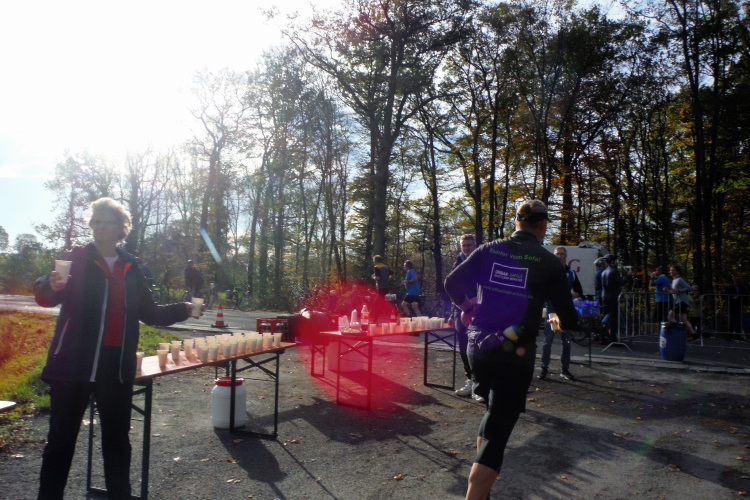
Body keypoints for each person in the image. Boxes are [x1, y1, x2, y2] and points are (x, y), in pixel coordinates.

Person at [33, 197, 204, 500]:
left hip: (116, 366)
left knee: (117, 442)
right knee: (60, 441)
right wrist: (51, 285)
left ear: (120, 228)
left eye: (107, 222)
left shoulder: (132, 267)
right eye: (96, 221)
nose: (99, 226)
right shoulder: (76, 258)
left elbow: (149, 312)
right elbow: (46, 295)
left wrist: (182, 309)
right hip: (73, 364)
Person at [444, 200, 578, 500]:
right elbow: (569, 319)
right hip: (513, 355)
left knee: (494, 414)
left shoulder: (489, 249)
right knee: (498, 431)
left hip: (479, 349)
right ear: (542, 225)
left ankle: (484, 493)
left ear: (516, 222)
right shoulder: (549, 262)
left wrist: (467, 307)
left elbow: (452, 282)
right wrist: (556, 322)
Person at [539, 246, 583, 381]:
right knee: (548, 341)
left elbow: (579, 290)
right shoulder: (548, 271)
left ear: (566, 256)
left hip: (566, 310)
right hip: (552, 310)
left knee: (567, 342)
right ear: (554, 256)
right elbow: (541, 289)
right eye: (557, 254)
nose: (559, 256)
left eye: (562, 254)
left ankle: (565, 370)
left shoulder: (571, 273)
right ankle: (544, 369)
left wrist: (572, 296)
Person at [450, 234, 481, 401]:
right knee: (463, 346)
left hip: (479, 309)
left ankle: (479, 385)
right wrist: (452, 314)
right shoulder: (457, 264)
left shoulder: (481, 261)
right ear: (461, 247)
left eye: (469, 245)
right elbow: (451, 289)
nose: (467, 248)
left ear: (474, 245)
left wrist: (478, 298)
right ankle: (470, 380)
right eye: (464, 245)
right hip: (459, 310)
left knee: (478, 346)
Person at [601, 254, 633, 342]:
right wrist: (628, 276)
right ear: (612, 261)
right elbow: (620, 282)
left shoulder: (604, 271)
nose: (616, 262)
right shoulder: (614, 271)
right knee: (614, 318)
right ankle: (613, 337)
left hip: (605, 296)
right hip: (613, 296)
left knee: (606, 316)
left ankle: (603, 335)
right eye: (615, 260)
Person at [666, 265, 696, 338]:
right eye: (670, 270)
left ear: (677, 271)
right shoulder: (673, 281)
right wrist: (667, 290)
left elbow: (688, 288)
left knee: (670, 316)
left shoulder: (680, 279)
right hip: (677, 301)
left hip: (682, 301)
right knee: (684, 320)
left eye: (673, 270)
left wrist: (679, 290)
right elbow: (673, 292)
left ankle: (679, 330)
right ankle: (694, 334)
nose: (671, 272)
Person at [723, 276, 748, 340]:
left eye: (740, 280)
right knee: (731, 321)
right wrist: (732, 298)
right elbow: (725, 296)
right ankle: (730, 336)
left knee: (739, 321)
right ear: (734, 281)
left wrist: (740, 298)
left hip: (739, 306)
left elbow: (746, 296)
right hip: (732, 306)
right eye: (737, 280)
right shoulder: (729, 288)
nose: (739, 281)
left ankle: (738, 336)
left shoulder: (743, 288)